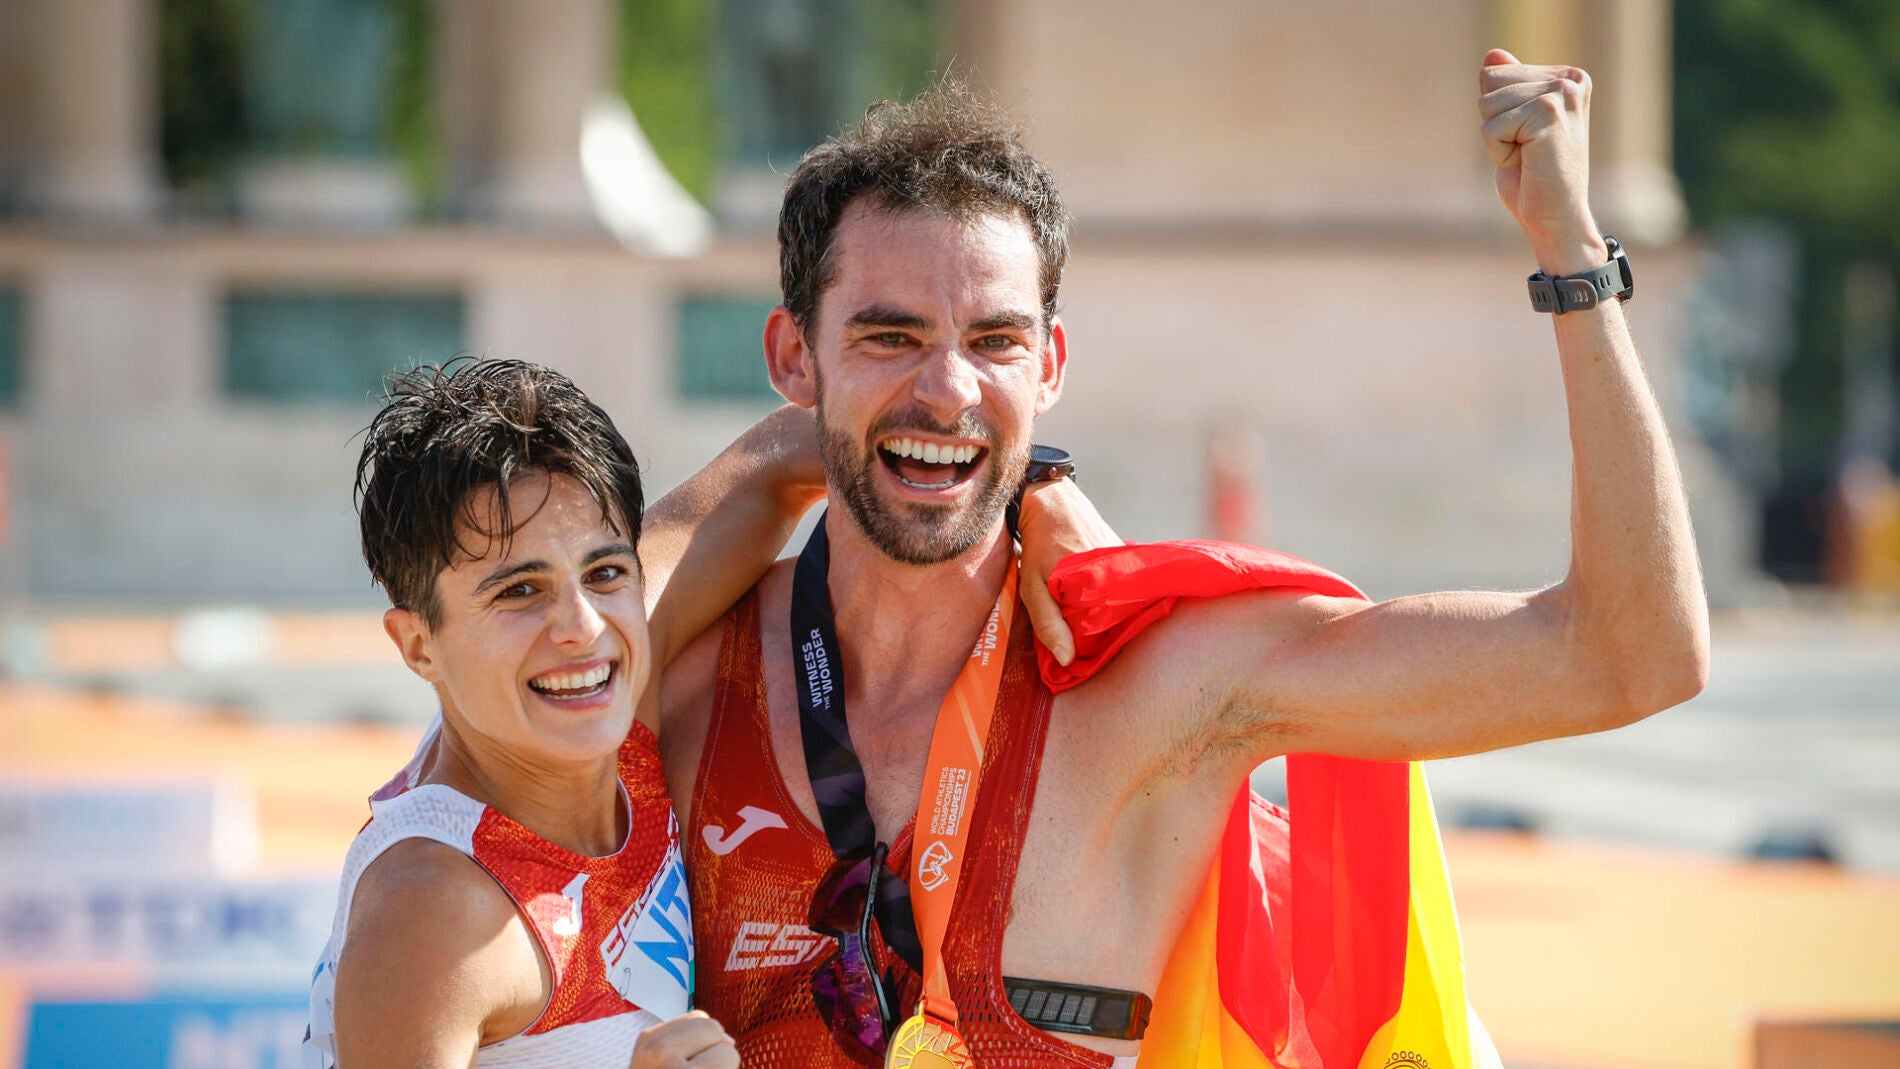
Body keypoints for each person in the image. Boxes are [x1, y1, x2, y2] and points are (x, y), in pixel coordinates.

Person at [658, 50, 1709, 1067]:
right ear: (792, 357)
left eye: (995, 342)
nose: (949, 388)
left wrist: (1572, 252)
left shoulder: (1170, 685)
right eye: (888, 339)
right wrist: (785, 456)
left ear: (1052, 364)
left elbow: (1630, 652)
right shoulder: (688, 680)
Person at [304, 360, 817, 1068]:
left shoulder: (606, 700)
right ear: (419, 645)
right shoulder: (436, 908)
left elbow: (790, 454)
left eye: (604, 571)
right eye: (518, 591)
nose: (581, 626)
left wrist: (1025, 506)